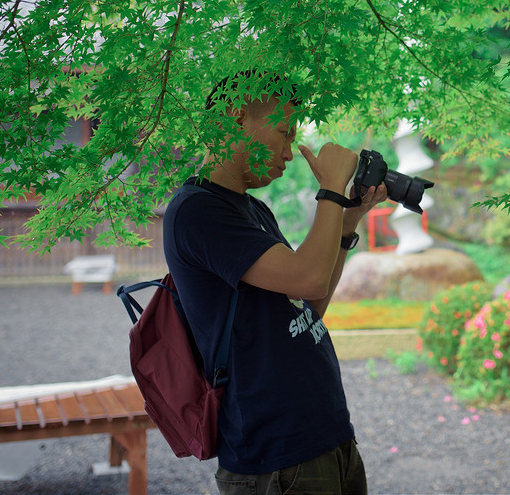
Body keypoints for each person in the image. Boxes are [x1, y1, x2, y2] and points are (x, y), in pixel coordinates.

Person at [163, 73, 387, 495]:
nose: (288, 153)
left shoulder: (254, 210)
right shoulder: (197, 212)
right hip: (277, 456)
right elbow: (309, 277)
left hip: (323, 436)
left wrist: (347, 222)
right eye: (284, 134)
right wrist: (330, 189)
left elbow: (306, 305)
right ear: (236, 117)